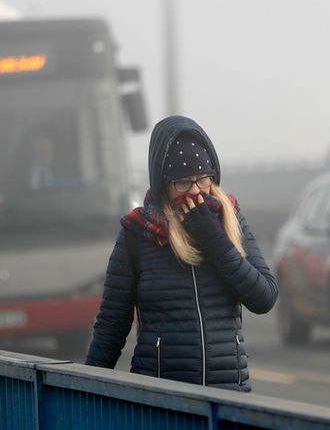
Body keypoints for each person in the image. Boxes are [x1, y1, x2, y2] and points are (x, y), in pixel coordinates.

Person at [85, 115, 278, 392]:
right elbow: (111, 325)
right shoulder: (137, 232)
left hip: (230, 397)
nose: (195, 191)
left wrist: (213, 238)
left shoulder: (230, 219)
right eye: (183, 183)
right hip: (162, 400)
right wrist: (84, 390)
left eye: (203, 180)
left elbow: (264, 297)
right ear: (163, 183)